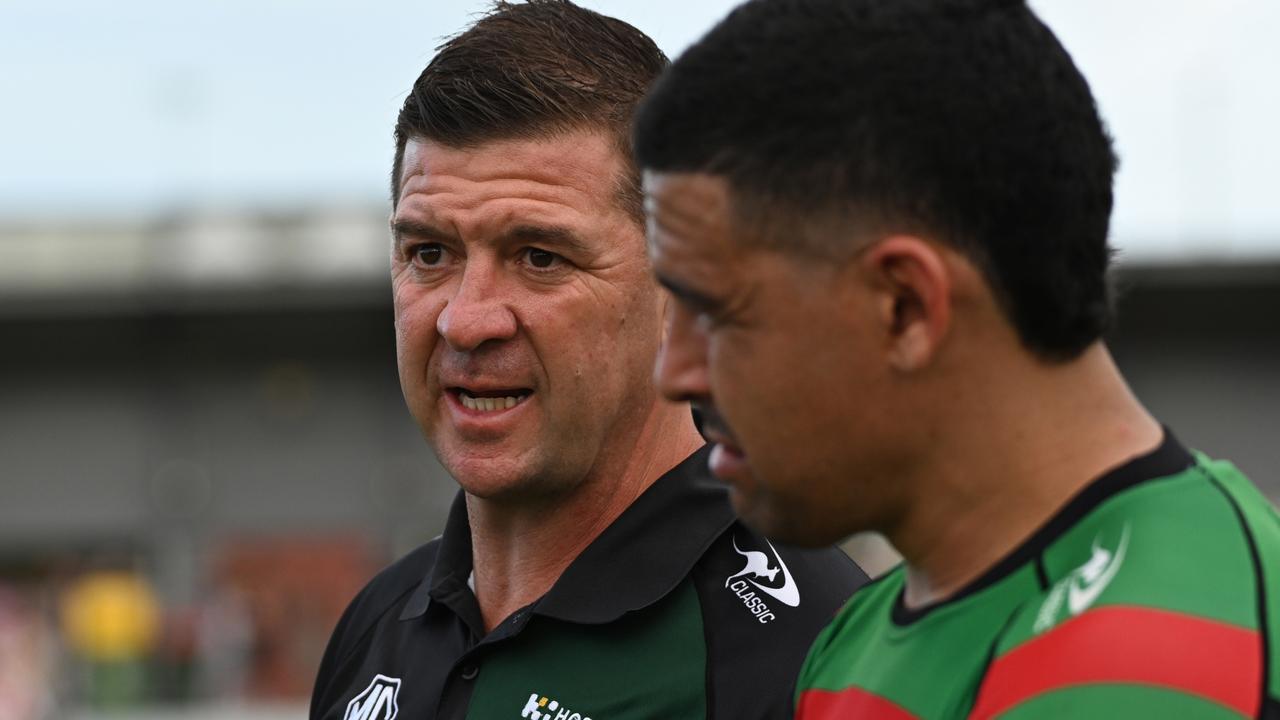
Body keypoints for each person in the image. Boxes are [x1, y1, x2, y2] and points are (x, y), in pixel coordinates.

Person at [635, 0, 1280, 717]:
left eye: (718, 313)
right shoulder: (857, 635)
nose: (676, 375)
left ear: (905, 307)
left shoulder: (1157, 664)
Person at [309, 2, 867, 719]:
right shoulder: (376, 625)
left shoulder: (817, 657)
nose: (466, 319)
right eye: (429, 254)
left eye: (539, 256)